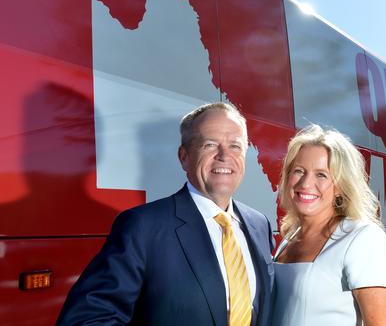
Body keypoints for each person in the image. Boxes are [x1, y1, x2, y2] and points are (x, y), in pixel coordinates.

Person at [57, 102, 274, 326]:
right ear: (184, 157)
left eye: (235, 146)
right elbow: (87, 319)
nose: (224, 156)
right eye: (210, 145)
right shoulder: (142, 227)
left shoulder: (258, 225)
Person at [272, 124, 386, 326]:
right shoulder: (289, 237)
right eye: (299, 171)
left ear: (340, 186)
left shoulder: (363, 237)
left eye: (321, 174)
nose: (305, 184)